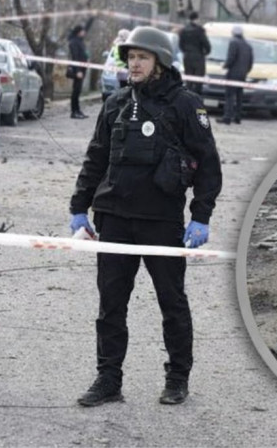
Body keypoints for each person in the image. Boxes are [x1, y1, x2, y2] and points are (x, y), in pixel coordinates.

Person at [68, 26, 222, 407]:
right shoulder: (116, 103)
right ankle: (108, 379)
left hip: (161, 221)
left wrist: (201, 215)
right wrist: (79, 206)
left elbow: (208, 165)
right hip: (114, 217)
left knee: (172, 302)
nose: (134, 64)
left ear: (160, 62)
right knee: (110, 304)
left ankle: (177, 379)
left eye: (142, 57)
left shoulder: (186, 105)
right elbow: (96, 157)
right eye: (131, 58)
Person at [221, 25, 253, 124]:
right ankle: (238, 117)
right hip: (243, 74)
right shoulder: (248, 45)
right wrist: (246, 71)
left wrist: (225, 66)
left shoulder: (233, 42)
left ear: (233, 33)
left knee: (230, 96)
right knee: (239, 96)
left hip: (233, 73)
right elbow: (250, 62)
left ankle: (227, 117)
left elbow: (231, 57)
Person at [178, 11, 211, 95]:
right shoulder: (199, 30)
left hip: (187, 57)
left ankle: (188, 97)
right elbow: (206, 44)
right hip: (198, 57)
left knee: (189, 80)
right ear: (196, 19)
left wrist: (186, 51)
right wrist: (206, 52)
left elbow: (181, 45)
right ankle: (196, 98)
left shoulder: (183, 30)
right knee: (198, 81)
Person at [67, 24, 89, 119]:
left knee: (78, 91)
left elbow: (88, 27)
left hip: (82, 69)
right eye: (82, 31)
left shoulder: (80, 41)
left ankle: (78, 110)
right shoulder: (74, 42)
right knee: (76, 91)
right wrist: (78, 71)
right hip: (78, 70)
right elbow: (75, 57)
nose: (84, 32)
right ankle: (74, 111)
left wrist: (92, 18)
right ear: (78, 32)